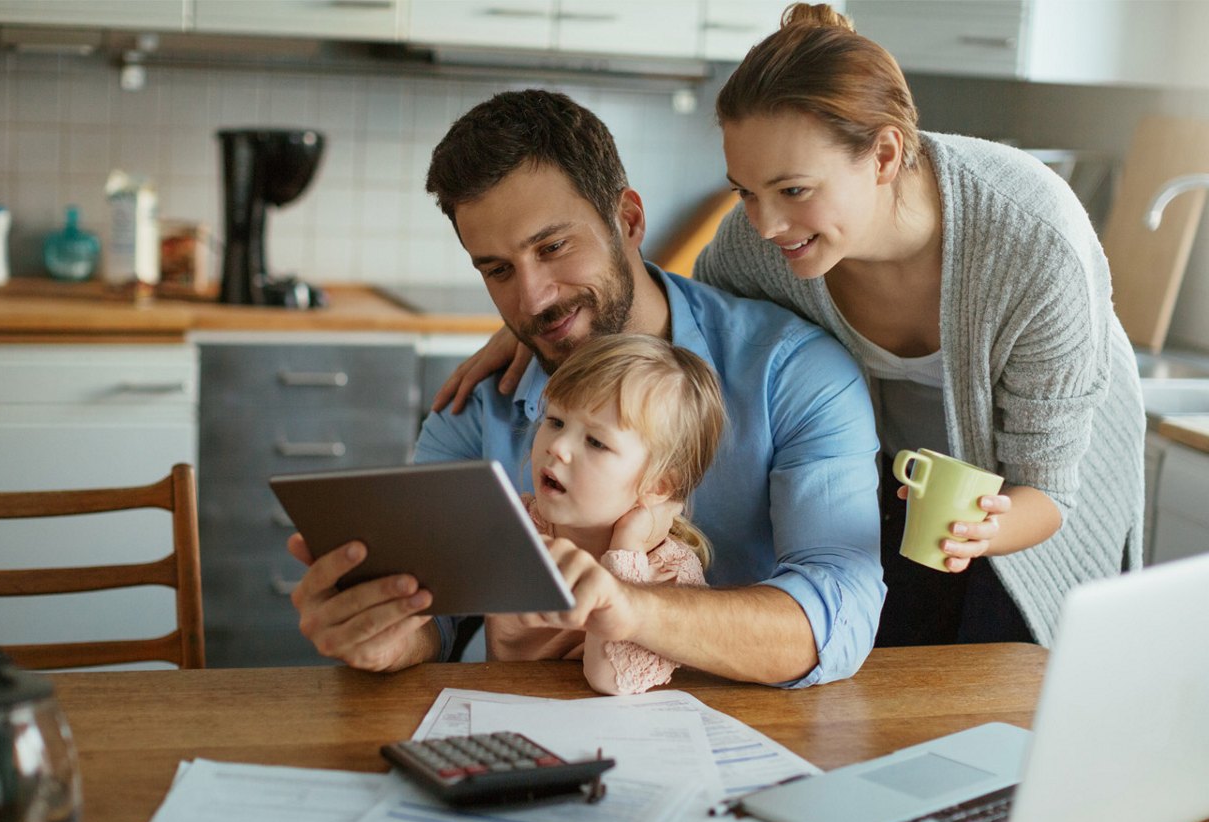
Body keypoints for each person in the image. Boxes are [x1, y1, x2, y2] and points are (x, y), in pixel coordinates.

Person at [287, 88, 885, 688]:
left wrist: (630, 609)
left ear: (627, 220)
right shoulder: (475, 406)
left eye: (552, 247)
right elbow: (434, 611)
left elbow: (839, 613)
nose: (532, 299)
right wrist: (388, 634)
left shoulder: (794, 373)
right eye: (497, 269)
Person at [692, 3, 1145, 645]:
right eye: (745, 191)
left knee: (1006, 689)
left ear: (883, 154)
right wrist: (544, 330)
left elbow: (1047, 491)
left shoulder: (1034, 244)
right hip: (900, 486)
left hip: (1033, 498)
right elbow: (682, 326)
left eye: (793, 191)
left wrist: (983, 529)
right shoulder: (756, 244)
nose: (765, 223)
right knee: (883, 683)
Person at [495, 332, 727, 695]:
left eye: (596, 442)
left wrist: (625, 551)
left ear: (658, 486)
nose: (557, 447)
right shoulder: (518, 526)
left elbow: (608, 680)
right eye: (555, 421)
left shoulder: (668, 571)